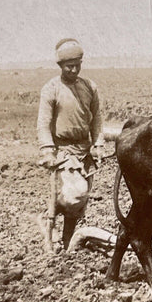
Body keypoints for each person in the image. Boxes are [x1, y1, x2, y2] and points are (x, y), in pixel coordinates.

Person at [36, 38, 105, 251]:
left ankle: (65, 242)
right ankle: (49, 227)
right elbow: (43, 123)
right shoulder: (51, 89)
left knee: (79, 203)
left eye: (77, 65)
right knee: (74, 195)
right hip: (63, 151)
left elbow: (97, 120)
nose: (74, 70)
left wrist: (99, 143)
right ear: (60, 66)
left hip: (84, 151)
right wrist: (47, 148)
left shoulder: (89, 87)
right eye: (69, 66)